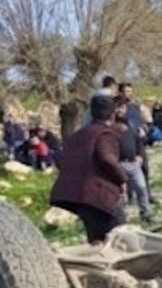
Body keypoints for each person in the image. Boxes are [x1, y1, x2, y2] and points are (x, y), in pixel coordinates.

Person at [50, 95, 126, 246]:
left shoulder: (76, 135)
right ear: (112, 115)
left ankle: (95, 265)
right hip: (101, 197)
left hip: (80, 200)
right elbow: (107, 158)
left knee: (96, 240)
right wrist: (122, 179)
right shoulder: (105, 134)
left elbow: (59, 159)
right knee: (120, 238)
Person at [114, 98, 152, 224]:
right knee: (120, 194)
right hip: (117, 164)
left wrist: (140, 156)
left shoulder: (131, 123)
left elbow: (138, 142)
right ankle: (121, 219)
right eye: (118, 107)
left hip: (133, 163)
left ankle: (146, 214)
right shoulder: (110, 126)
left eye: (123, 107)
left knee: (141, 187)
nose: (121, 110)